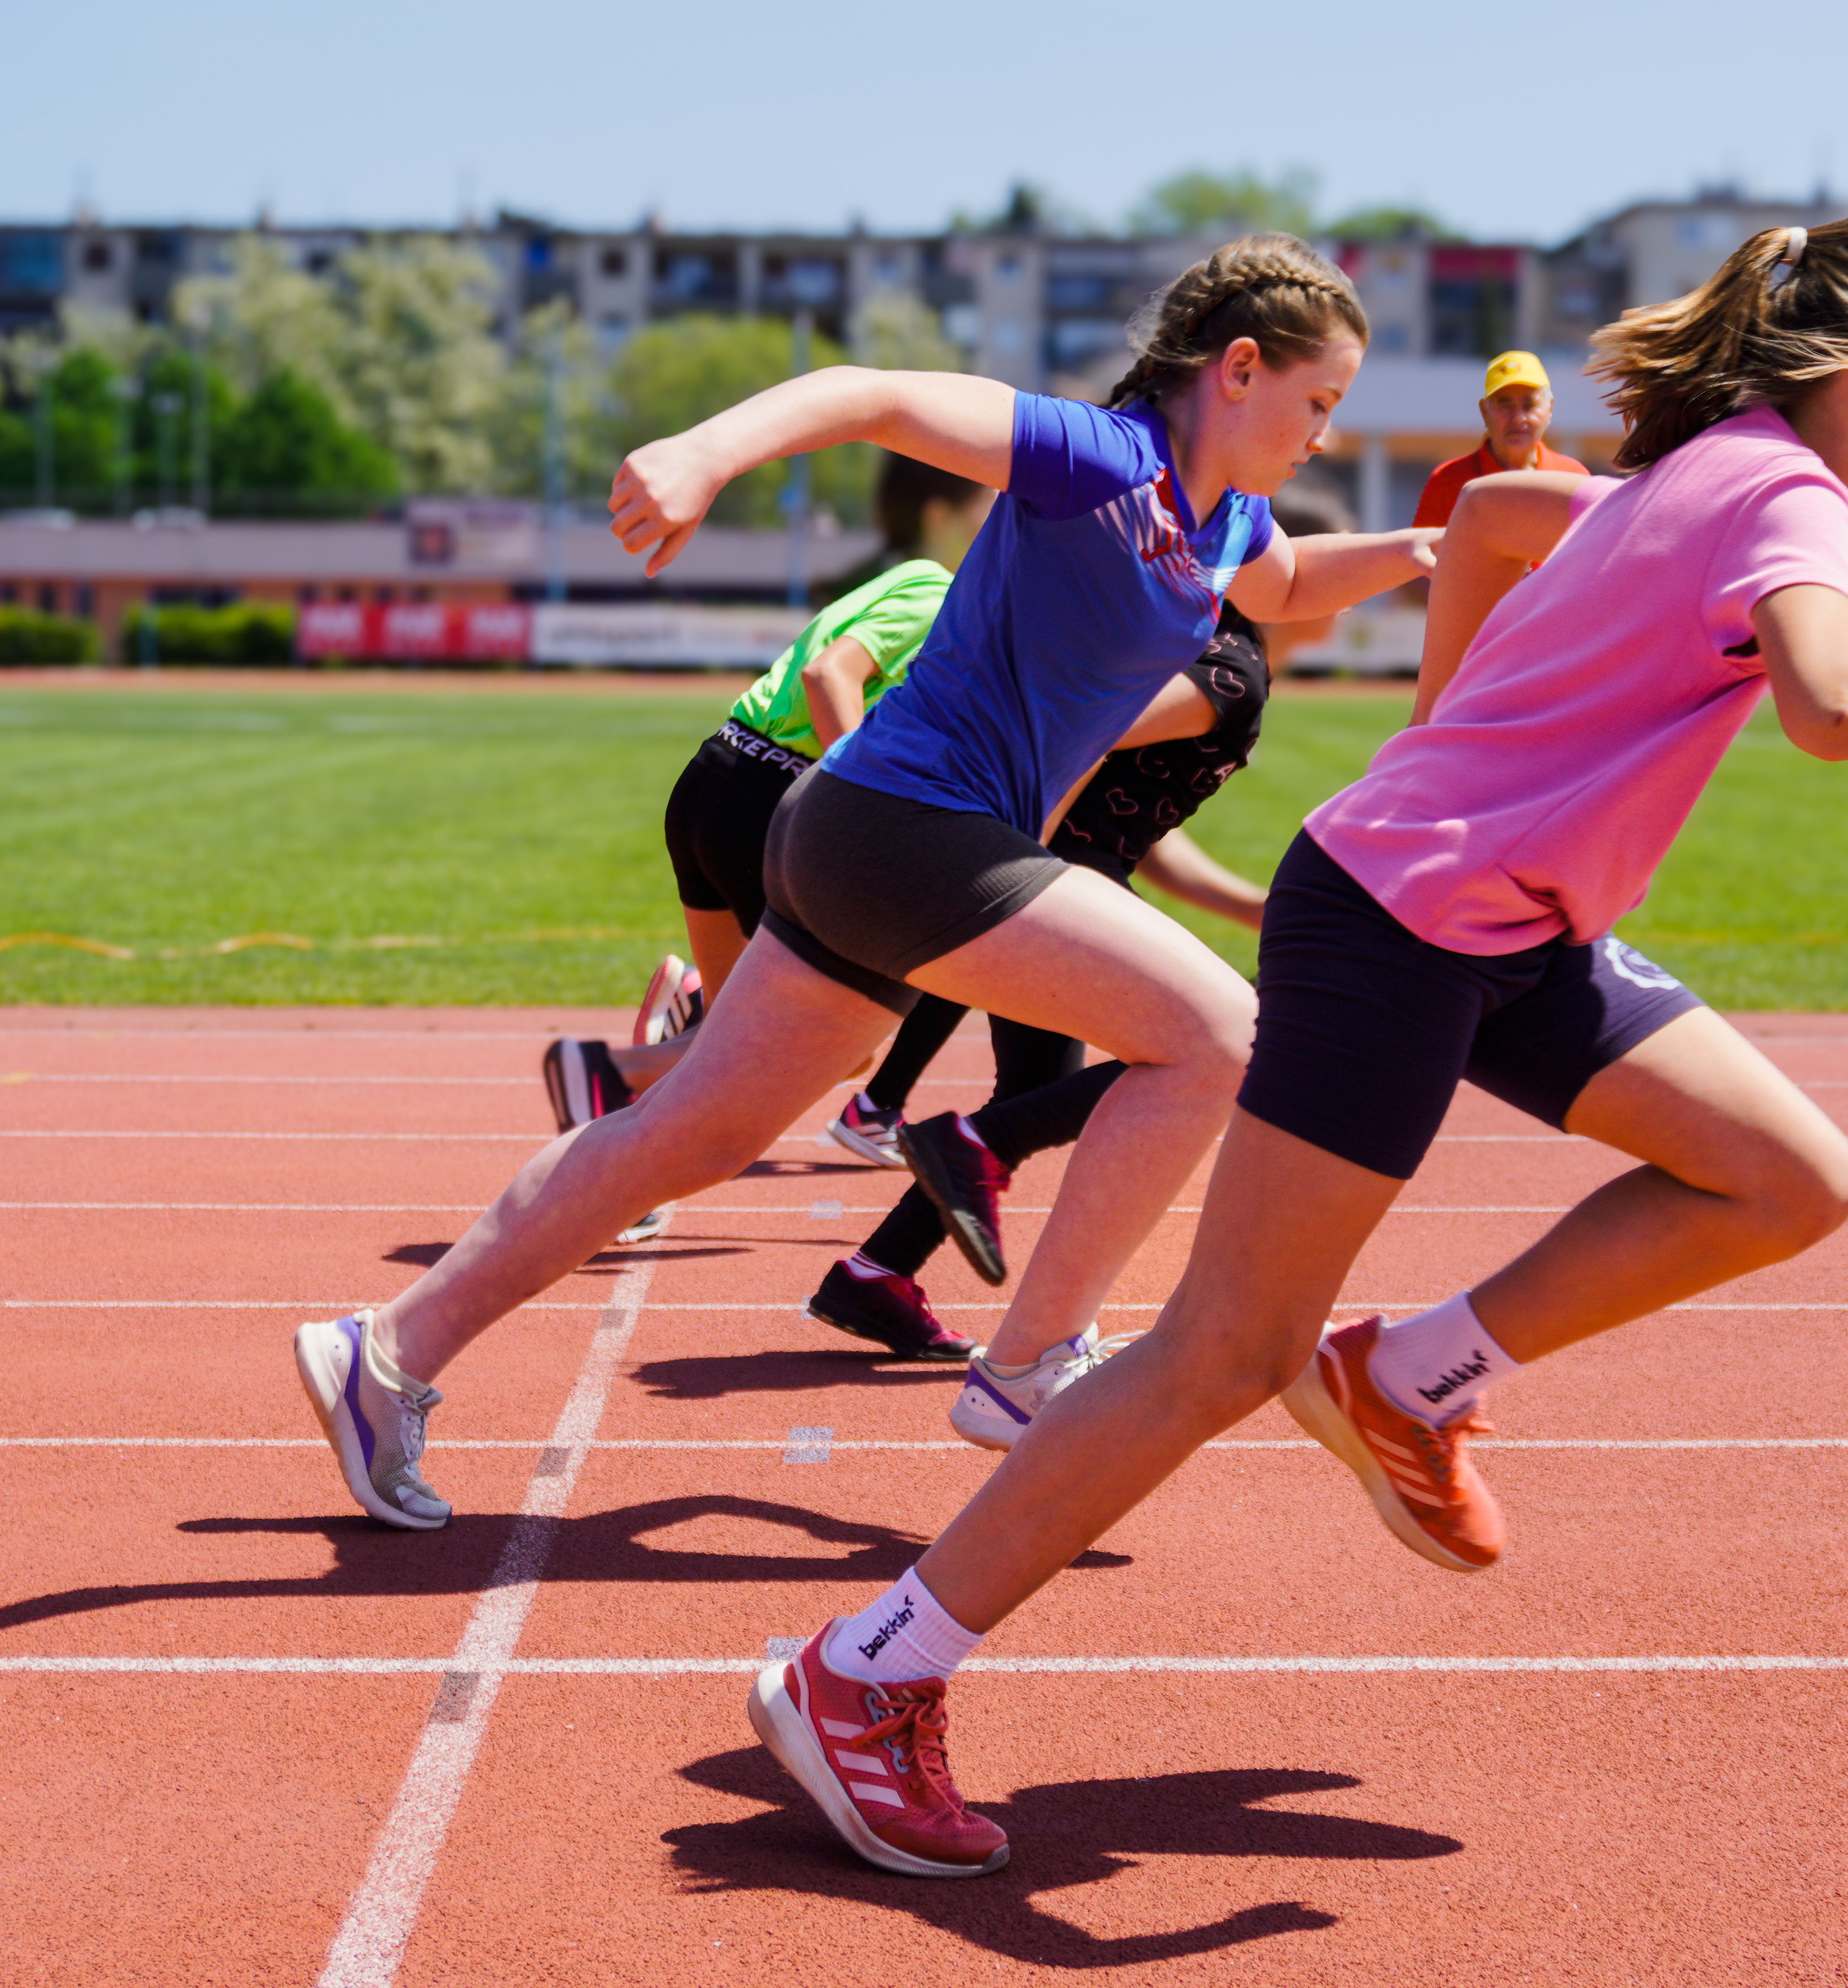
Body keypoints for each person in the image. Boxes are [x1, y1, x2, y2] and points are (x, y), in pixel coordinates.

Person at [751, 206, 1848, 1881]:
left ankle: (1405, 1370)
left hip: (1508, 922)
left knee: (1784, 1175)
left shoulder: (1719, 461)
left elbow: (1484, 521)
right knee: (1217, 1350)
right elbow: (1833, 707)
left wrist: (1446, 739)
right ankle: (866, 1669)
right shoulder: (1784, 488)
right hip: (1407, 921)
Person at [294, 234, 1436, 1556]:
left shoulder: (1227, 524)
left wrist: (1427, 544)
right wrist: (701, 454)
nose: (1323, 437)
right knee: (1217, 1034)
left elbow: (1287, 587)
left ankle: (383, 1354)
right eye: (1319, 406)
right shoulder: (1101, 458)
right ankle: (1031, 1364)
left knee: (685, 1140)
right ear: (1239, 371)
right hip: (904, 825)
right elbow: (876, 395)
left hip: (873, 841)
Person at [810, 485, 1354, 1384]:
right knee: (1213, 1048)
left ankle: (875, 1272)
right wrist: (1026, 853)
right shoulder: (1230, 669)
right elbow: (1087, 731)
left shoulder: (1215, 654)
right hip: (1040, 879)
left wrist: (1255, 908)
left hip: (1043, 868)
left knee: (1036, 1091)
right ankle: (970, 1187)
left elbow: (1150, 831)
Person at [542, 452, 995, 1133]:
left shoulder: (910, 579)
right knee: (841, 1041)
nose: (1007, 521)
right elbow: (827, 677)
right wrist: (863, 804)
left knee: (732, 1041)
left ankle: (630, 1098)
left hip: (713, 777)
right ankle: (612, 1070)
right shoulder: (938, 598)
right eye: (993, 505)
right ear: (941, 516)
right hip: (769, 807)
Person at [1407, 349, 1588, 530]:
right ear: (1485, 412)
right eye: (1505, 404)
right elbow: (1419, 555)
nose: (1518, 418)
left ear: (1549, 409)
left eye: (1529, 405)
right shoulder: (1447, 482)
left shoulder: (1574, 478)